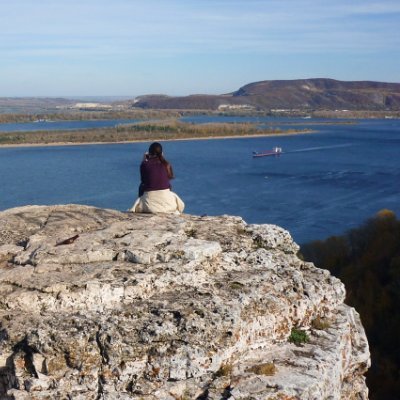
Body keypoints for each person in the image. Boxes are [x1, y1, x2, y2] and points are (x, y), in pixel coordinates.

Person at [131, 142, 185, 214]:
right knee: (168, 185)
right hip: (167, 201)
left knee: (142, 185)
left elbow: (143, 180)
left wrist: (144, 161)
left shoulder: (144, 164)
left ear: (149, 154)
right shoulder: (166, 164)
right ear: (162, 153)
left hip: (150, 204)